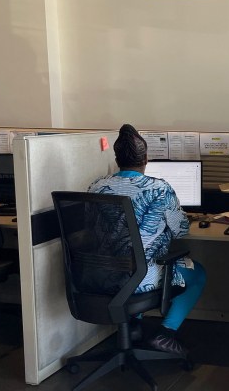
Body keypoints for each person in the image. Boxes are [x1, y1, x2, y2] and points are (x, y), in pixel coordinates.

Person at [88, 124, 205, 356]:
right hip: (141, 277)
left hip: (101, 273)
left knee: (136, 259)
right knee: (198, 274)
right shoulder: (159, 189)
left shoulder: (97, 187)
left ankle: (135, 326)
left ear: (116, 159)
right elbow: (181, 231)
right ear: (146, 159)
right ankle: (166, 334)